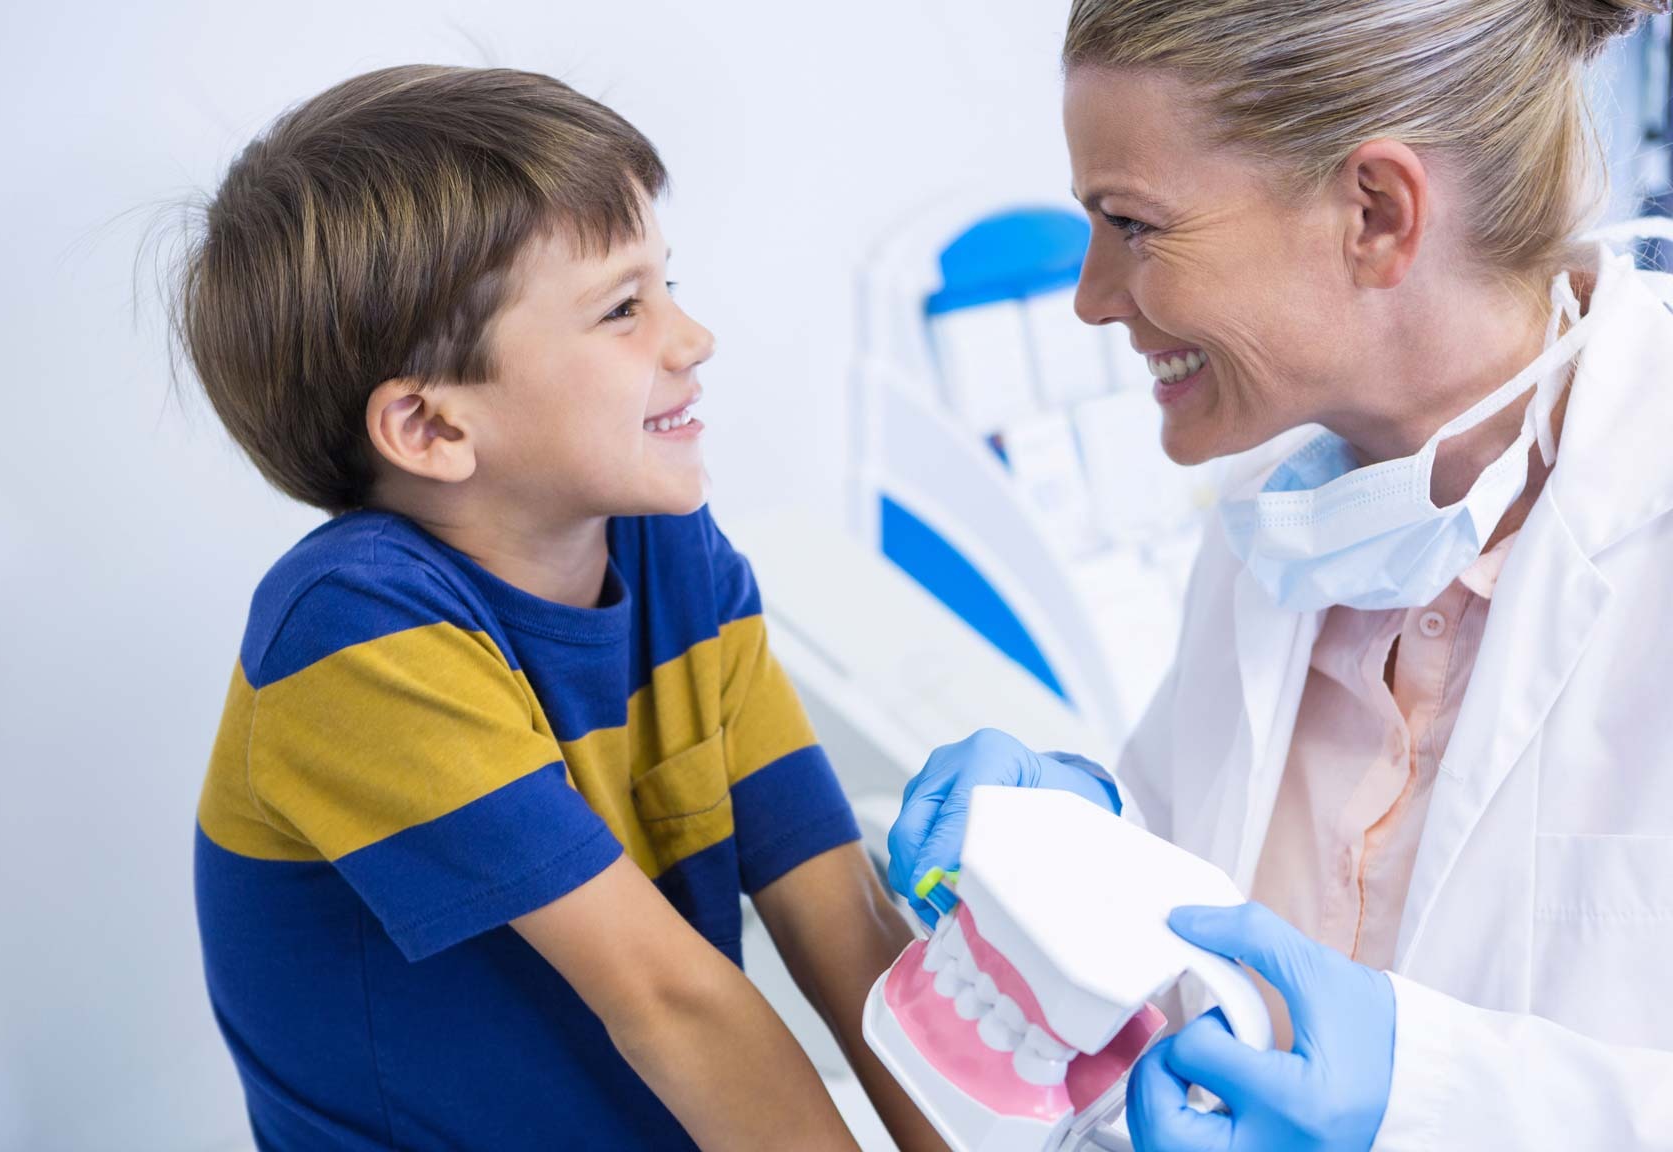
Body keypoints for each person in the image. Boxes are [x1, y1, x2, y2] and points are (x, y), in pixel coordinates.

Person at [886, 1, 1673, 1149]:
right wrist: (1085, 863)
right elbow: (1188, 967)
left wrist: (1429, 1097)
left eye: (1133, 225)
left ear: (1376, 213)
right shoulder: (1289, 536)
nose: (1093, 294)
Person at [178, 65, 945, 1152]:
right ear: (433, 429)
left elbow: (843, 917)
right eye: (623, 308)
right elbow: (669, 1000)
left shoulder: (674, 557)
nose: (690, 339)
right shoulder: (350, 631)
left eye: (668, 285)